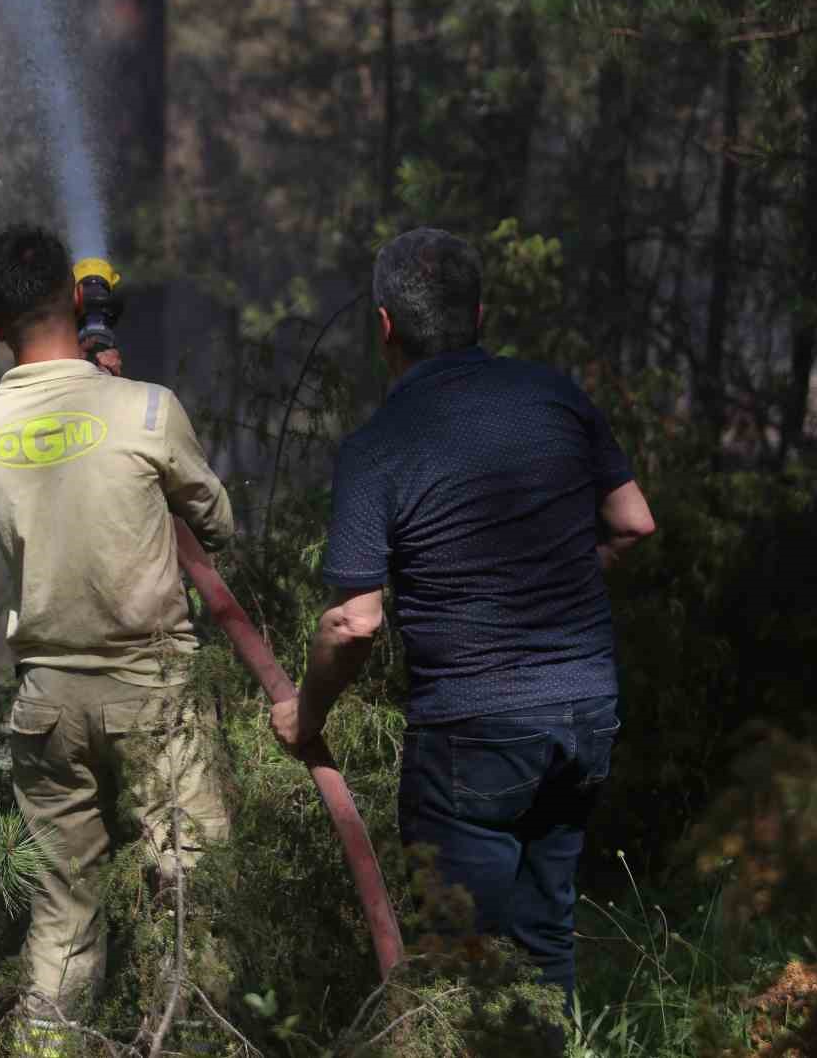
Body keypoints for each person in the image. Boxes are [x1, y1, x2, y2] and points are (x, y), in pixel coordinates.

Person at [270, 228, 657, 1012]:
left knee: (461, 972)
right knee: (545, 943)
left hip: (472, 734)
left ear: (384, 326)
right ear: (479, 314)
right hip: (584, 717)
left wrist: (303, 715)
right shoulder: (556, 395)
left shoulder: (379, 446)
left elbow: (352, 624)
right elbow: (634, 523)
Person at [0, 225, 234, 1055]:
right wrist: (113, 391)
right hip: (156, 691)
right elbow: (215, 524)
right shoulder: (147, 408)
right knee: (190, 898)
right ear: (81, 302)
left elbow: (54, 453)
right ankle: (196, 1041)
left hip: (48, 703)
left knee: (63, 914)